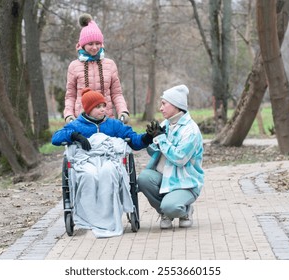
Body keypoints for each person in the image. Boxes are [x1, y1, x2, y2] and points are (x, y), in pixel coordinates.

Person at [52, 88, 152, 238]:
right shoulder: (78, 125)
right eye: (98, 107)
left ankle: (108, 217)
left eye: (104, 106)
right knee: (89, 175)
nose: (103, 110)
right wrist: (75, 135)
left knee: (109, 172)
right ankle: (90, 216)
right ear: (88, 109)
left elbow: (134, 141)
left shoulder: (113, 125)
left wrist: (148, 137)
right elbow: (56, 138)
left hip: (109, 158)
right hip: (86, 161)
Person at [138, 84, 204, 229]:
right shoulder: (166, 124)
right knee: (143, 179)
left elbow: (180, 159)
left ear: (175, 105)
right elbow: (154, 153)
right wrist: (151, 138)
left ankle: (184, 211)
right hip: (165, 178)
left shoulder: (190, 130)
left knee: (170, 206)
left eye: (164, 104)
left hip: (186, 183)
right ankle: (165, 212)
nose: (161, 108)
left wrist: (161, 139)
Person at [63, 13, 129, 124]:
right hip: (82, 121)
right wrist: (68, 115)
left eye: (98, 43)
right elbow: (70, 95)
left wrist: (123, 111)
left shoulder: (110, 64)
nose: (95, 47)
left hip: (106, 120)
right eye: (90, 44)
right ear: (83, 45)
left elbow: (116, 93)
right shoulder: (74, 66)